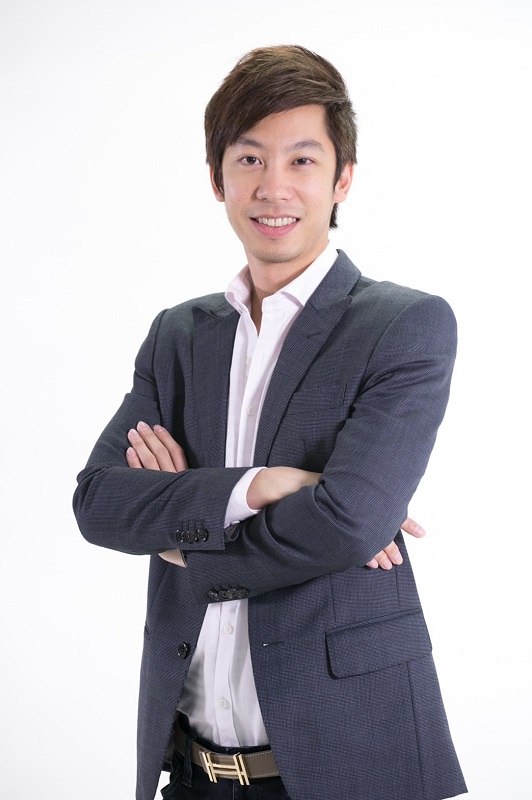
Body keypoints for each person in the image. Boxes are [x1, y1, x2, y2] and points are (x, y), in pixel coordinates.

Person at [73, 45, 467, 800]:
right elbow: (97, 502)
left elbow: (348, 523)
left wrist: (184, 539)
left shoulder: (404, 326)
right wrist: (262, 487)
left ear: (342, 179)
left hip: (349, 764)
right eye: (249, 159)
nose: (273, 186)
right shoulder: (177, 336)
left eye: (302, 160)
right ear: (216, 178)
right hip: (191, 769)